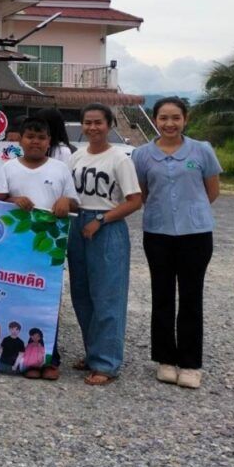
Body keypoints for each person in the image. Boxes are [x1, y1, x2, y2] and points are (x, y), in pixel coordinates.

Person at [131, 96, 221, 390]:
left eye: (175, 118)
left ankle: (191, 364)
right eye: (163, 118)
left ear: (185, 119)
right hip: (157, 234)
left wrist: (189, 212)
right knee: (162, 296)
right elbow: (142, 193)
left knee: (192, 297)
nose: (169, 123)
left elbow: (211, 191)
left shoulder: (202, 150)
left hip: (196, 235)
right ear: (155, 119)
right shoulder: (141, 155)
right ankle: (165, 360)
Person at [68, 102, 143, 386]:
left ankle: (107, 362)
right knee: (82, 294)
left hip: (107, 227)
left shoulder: (119, 159)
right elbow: (69, 192)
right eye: (87, 122)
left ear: (109, 125)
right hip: (77, 224)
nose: (93, 127)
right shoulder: (76, 157)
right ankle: (92, 353)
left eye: (98, 122)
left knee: (108, 296)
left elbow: (134, 201)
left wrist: (101, 220)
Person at [4, 117, 79, 380]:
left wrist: (66, 201)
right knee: (17, 301)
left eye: (41, 137)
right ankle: (25, 359)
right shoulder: (8, 168)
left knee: (47, 303)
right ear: (20, 140)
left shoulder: (60, 169)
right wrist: (13, 199)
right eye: (30, 136)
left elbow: (75, 203)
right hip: (15, 247)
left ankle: (50, 358)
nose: (35, 142)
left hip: (49, 249)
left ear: (49, 142)